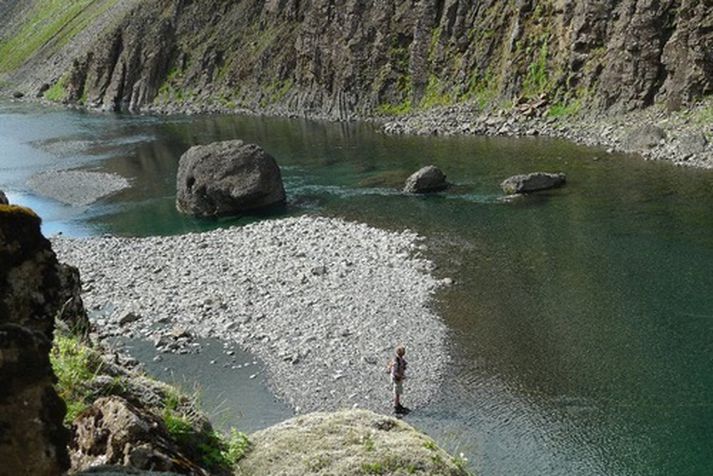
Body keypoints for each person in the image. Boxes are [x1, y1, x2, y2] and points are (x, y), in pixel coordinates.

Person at [388, 345, 409, 414]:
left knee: (398, 391)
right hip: (397, 379)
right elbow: (394, 372)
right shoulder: (396, 361)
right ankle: (396, 406)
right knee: (397, 392)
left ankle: (398, 404)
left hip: (398, 378)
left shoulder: (399, 360)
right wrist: (401, 376)